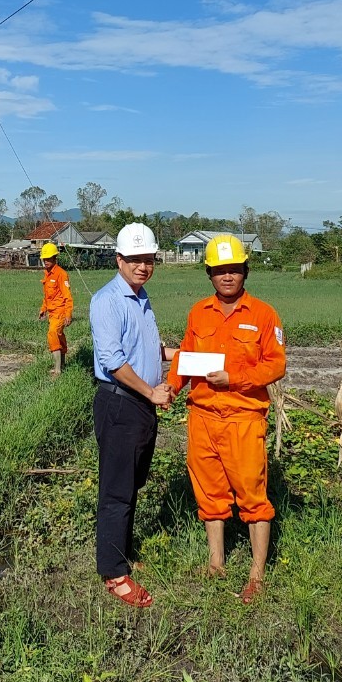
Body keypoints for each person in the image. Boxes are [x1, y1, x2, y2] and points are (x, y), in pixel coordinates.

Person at [166, 234, 286, 603]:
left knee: (253, 495)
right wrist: (170, 388)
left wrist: (235, 378)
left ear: (245, 271)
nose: (227, 277)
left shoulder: (264, 314)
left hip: (243, 419)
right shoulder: (198, 312)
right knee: (210, 493)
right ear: (209, 275)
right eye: (220, 271)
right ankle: (216, 562)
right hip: (202, 416)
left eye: (234, 269)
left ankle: (257, 575)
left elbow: (276, 364)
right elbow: (185, 355)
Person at [89, 222, 177, 608]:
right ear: (119, 260)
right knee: (116, 490)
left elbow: (150, 349)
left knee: (133, 482)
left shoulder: (142, 299)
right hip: (121, 402)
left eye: (149, 260)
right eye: (136, 260)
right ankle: (113, 572)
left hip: (142, 405)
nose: (143, 266)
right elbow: (112, 360)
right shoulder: (107, 300)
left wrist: (190, 355)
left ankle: (121, 551)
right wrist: (150, 392)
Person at [37, 242, 73, 376]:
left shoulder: (61, 274)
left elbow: (67, 296)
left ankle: (57, 370)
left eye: (49, 258)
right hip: (52, 312)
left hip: (60, 312)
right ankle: (62, 365)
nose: (46, 261)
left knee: (52, 334)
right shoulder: (47, 274)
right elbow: (47, 296)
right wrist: (43, 309)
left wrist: (68, 314)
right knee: (59, 336)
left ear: (55, 258)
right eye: (44, 259)